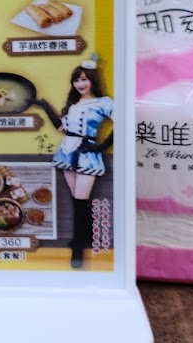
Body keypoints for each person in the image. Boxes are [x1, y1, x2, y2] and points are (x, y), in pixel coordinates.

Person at [52, 59, 114, 269]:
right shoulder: (74, 104)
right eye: (76, 80)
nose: (80, 84)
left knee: (80, 200)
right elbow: (62, 128)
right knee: (76, 198)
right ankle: (85, 235)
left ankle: (77, 246)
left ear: (93, 80)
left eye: (84, 79)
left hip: (87, 152)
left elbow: (124, 121)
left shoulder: (103, 102)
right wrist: (44, 107)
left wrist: (102, 146)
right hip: (67, 151)